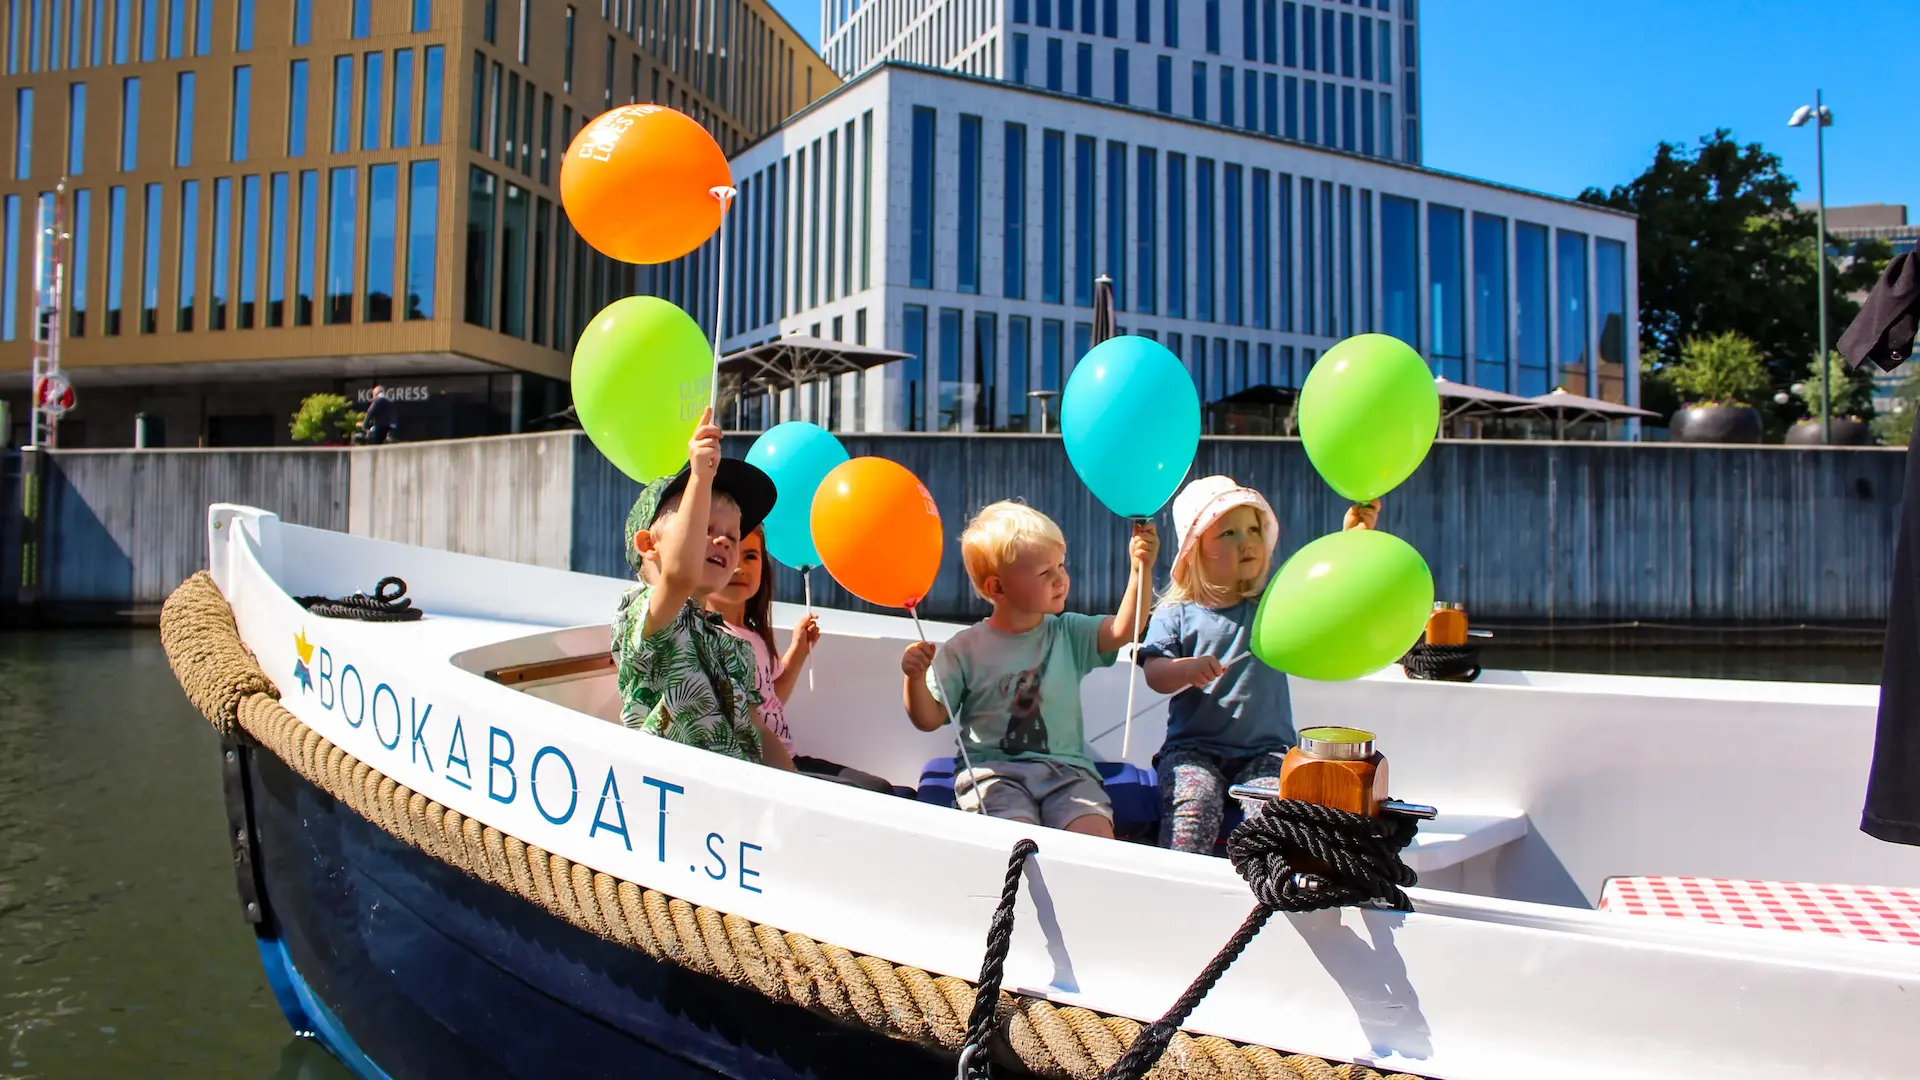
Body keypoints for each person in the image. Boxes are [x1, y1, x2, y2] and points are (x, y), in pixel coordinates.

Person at [1139, 476, 1379, 854]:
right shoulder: (1176, 612)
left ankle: (1269, 893)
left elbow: (1324, 593)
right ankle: (1181, 888)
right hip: (1193, 749)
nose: (1246, 540)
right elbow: (1154, 673)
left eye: (1253, 529)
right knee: (1192, 809)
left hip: (1266, 751)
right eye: (1228, 533)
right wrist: (1184, 669)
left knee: (1275, 820)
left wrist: (1350, 540)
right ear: (1195, 551)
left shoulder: (1273, 603)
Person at [900, 501, 1159, 838]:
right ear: (997, 588)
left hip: (1068, 774)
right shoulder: (964, 649)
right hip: (993, 774)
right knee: (1016, 841)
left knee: (1095, 840)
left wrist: (1141, 570)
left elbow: (1124, 629)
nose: (1060, 580)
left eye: (1061, 566)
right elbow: (929, 718)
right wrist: (914, 677)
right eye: (1044, 573)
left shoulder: (1067, 632)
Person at [613, 408, 793, 769]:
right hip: (676, 795)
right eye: (705, 529)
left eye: (732, 536)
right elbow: (679, 574)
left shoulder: (729, 642)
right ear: (649, 545)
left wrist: (798, 789)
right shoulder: (648, 617)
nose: (726, 542)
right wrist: (699, 478)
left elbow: (758, 732)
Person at [706, 526, 898, 793]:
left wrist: (798, 650)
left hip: (788, 757)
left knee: (891, 791)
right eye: (728, 558)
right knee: (879, 794)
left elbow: (771, 699)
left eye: (750, 556)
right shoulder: (709, 637)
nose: (739, 567)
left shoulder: (754, 634)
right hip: (761, 769)